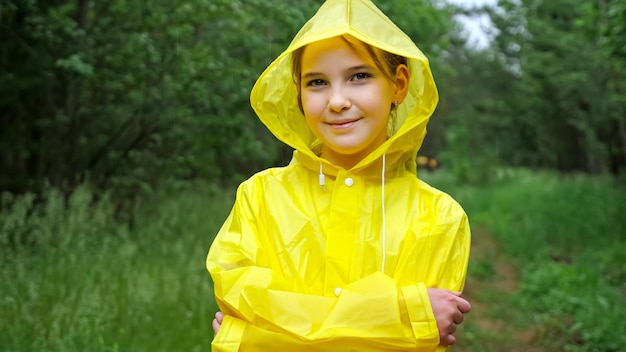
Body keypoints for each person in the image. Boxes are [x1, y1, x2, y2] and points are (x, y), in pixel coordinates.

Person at [206, 0, 471, 350]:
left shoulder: (439, 219)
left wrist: (254, 337)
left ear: (399, 84)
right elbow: (234, 291)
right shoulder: (259, 198)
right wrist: (403, 313)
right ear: (298, 94)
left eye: (359, 76)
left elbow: (419, 347)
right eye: (317, 82)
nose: (337, 101)